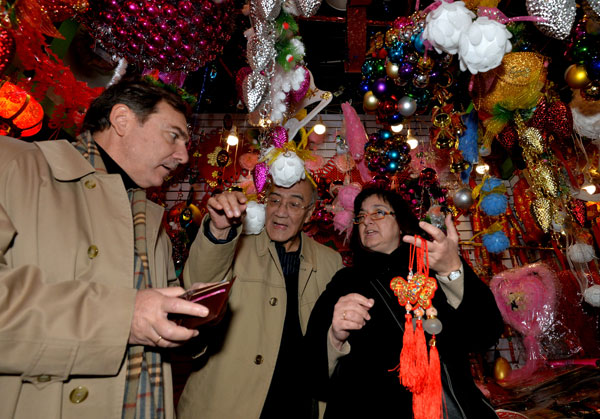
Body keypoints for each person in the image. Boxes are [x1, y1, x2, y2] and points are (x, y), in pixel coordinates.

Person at [0, 79, 211, 419]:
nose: (183, 156)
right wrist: (123, 317)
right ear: (122, 120)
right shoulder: (12, 165)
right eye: (173, 135)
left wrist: (178, 312)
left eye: (187, 143)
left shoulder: (150, 220)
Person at [304, 187, 504, 418]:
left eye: (378, 212)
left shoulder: (434, 266)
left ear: (400, 222)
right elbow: (311, 373)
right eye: (360, 216)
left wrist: (453, 270)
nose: (366, 221)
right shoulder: (345, 282)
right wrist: (334, 338)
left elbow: (486, 333)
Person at [177, 178, 344, 419]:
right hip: (231, 402)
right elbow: (201, 283)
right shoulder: (236, 245)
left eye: (295, 204)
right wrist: (219, 232)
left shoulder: (329, 262)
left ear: (309, 214)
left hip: (298, 405)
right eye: (274, 200)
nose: (281, 211)